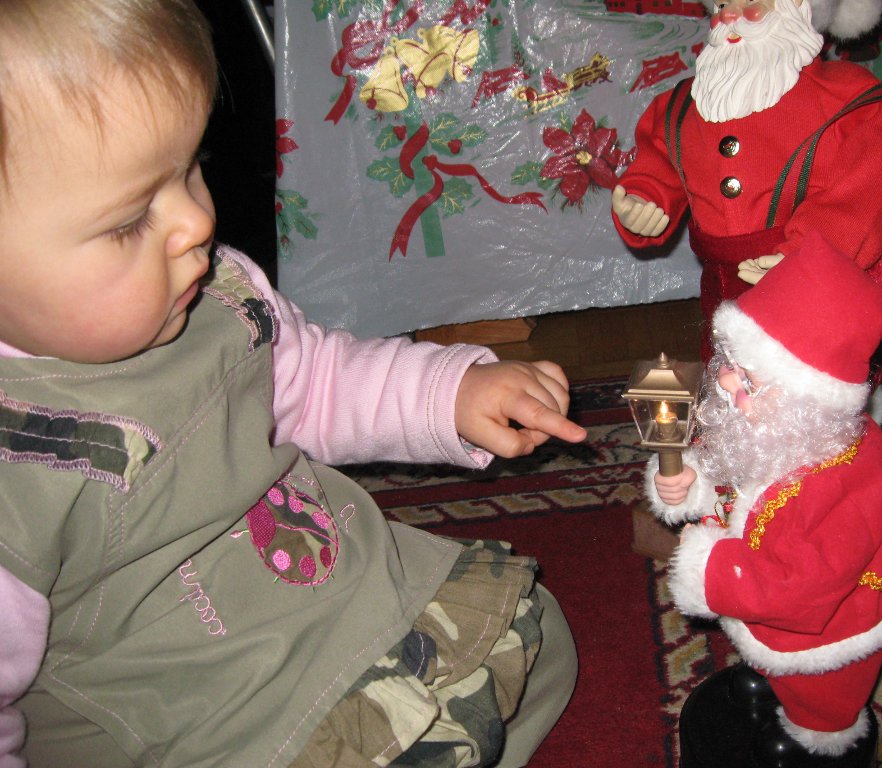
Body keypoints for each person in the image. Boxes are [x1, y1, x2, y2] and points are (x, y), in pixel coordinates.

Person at [0, 2, 589, 766]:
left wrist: (452, 393)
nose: (195, 223)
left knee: (542, 640)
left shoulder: (216, 296)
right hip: (218, 725)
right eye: (128, 221)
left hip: (337, 603)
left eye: (190, 169)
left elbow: (317, 382)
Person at [646, 232, 882, 767]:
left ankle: (821, 733)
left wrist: (712, 571)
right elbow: (735, 473)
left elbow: (804, 588)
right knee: (771, 666)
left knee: (821, 702)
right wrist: (692, 482)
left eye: (749, 379)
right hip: (772, 593)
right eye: (730, 362)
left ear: (807, 399)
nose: (725, 380)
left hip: (832, 624)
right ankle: (770, 677)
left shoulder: (847, 488)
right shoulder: (781, 429)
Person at [610, 0, 882, 365]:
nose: (730, 14)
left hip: (825, 283)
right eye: (722, 3)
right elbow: (660, 161)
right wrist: (643, 198)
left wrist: (804, 254)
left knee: (812, 374)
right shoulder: (686, 103)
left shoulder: (850, 98)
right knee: (728, 369)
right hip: (724, 282)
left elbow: (863, 193)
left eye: (752, 1)